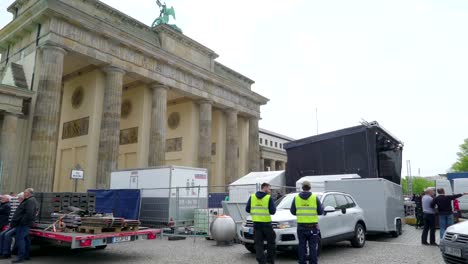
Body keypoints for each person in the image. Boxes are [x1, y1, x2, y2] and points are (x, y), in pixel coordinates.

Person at [290, 181, 323, 264]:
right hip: (312, 227)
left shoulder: (296, 198)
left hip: (301, 227)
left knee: (301, 246)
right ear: (310, 187)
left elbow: (292, 211)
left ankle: (302, 262)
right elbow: (320, 211)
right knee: (312, 247)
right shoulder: (315, 198)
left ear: (302, 187)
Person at [246, 183, 277, 264]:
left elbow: (247, 209)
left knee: (258, 244)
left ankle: (261, 261)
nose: (270, 191)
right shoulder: (268, 198)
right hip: (266, 224)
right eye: (269, 189)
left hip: (256, 224)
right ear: (265, 188)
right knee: (271, 242)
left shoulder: (252, 197)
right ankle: (270, 261)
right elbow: (273, 211)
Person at [10, 188, 37, 263]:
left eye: (25, 192)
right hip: (24, 224)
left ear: (29, 193)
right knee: (25, 240)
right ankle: (26, 255)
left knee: (20, 239)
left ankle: (20, 257)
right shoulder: (29, 200)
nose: (24, 193)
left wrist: (22, 222)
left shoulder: (30, 201)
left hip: (23, 224)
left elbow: (29, 213)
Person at [0, 193, 23, 259]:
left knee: (7, 235)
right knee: (2, 234)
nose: (1, 199)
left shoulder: (7, 205)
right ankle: (2, 252)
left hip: (19, 225)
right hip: (13, 224)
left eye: (19, 198)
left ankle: (6, 253)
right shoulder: (20, 205)